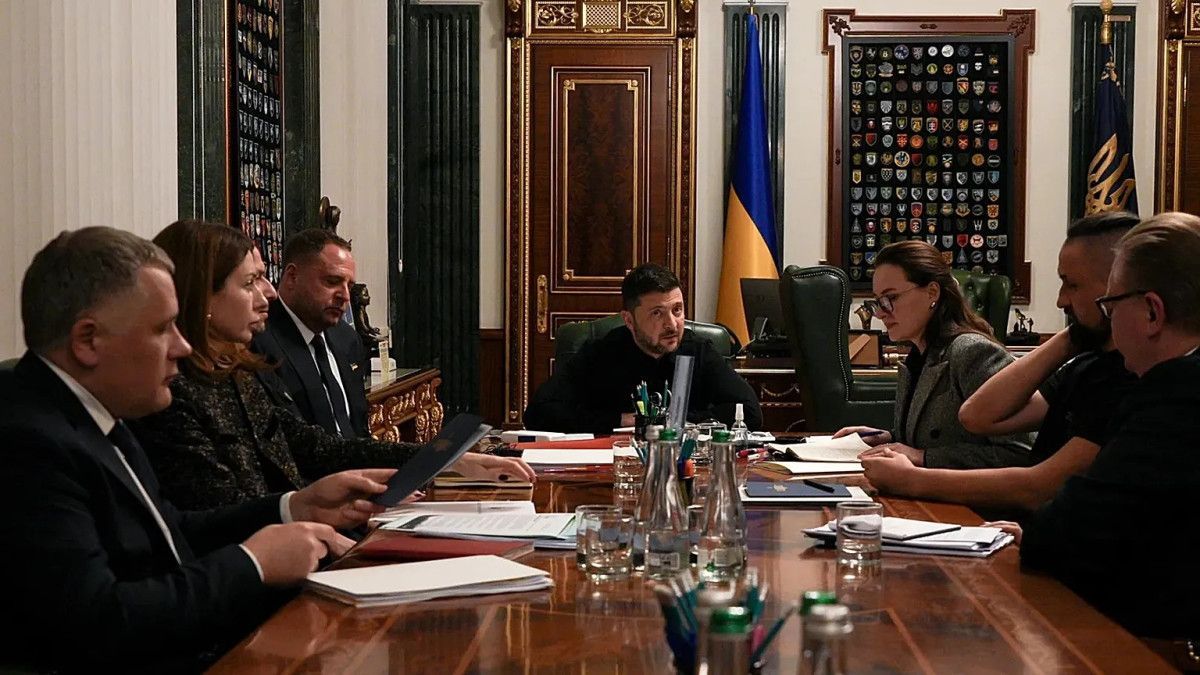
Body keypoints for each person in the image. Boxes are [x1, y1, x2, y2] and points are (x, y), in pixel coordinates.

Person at [0, 227, 401, 672]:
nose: (182, 345)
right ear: (88, 341)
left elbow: (170, 531)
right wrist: (252, 564)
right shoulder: (27, 444)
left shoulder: (95, 411)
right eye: (162, 328)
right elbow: (98, 623)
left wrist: (292, 507)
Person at [132, 221, 533, 511]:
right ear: (203, 296)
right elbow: (222, 514)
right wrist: (311, 509)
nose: (268, 293)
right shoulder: (171, 394)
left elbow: (318, 446)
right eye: (251, 282)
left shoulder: (237, 374)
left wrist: (442, 459)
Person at [992, 212, 1200, 645]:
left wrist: (1036, 534)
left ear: (1152, 312)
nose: (1108, 321)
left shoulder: (1175, 397)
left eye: (1111, 307)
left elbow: (1067, 533)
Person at [860, 213, 1139, 515]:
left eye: (1071, 285)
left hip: (984, 514)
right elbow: (975, 416)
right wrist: (1074, 335)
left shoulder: (1128, 378)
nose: (1060, 301)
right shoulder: (1083, 365)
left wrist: (917, 469)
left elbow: (1033, 478)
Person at [834, 241, 1033, 469]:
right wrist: (886, 438)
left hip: (964, 493)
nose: (880, 313)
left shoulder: (972, 352)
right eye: (879, 301)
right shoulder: (917, 357)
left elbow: (1023, 454)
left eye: (892, 298)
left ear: (932, 292)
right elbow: (936, 436)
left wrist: (923, 457)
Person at [523, 263, 762, 434]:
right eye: (657, 313)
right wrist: (621, 420)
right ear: (629, 320)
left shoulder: (696, 350)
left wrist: (671, 421)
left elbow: (749, 412)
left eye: (677, 310)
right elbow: (538, 413)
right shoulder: (601, 352)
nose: (672, 324)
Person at [253, 228, 370, 438]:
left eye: (349, 285)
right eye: (332, 281)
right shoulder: (259, 339)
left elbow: (359, 428)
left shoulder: (347, 338)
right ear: (292, 276)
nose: (345, 296)